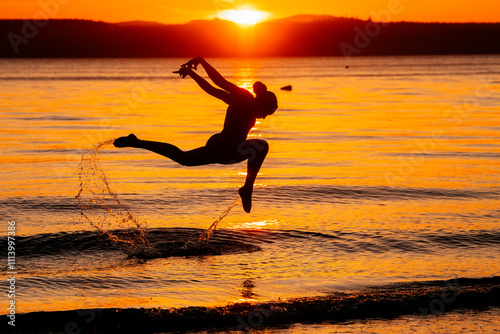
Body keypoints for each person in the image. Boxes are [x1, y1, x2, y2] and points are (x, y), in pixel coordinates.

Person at [114, 57, 278, 213]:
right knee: (184, 158)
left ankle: (247, 188)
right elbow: (219, 82)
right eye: (266, 113)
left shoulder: (241, 102)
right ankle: (137, 142)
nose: (263, 117)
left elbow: (212, 90)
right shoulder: (243, 98)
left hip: (231, 150)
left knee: (184, 158)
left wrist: (192, 73)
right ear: (262, 104)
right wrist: (201, 61)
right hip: (221, 148)